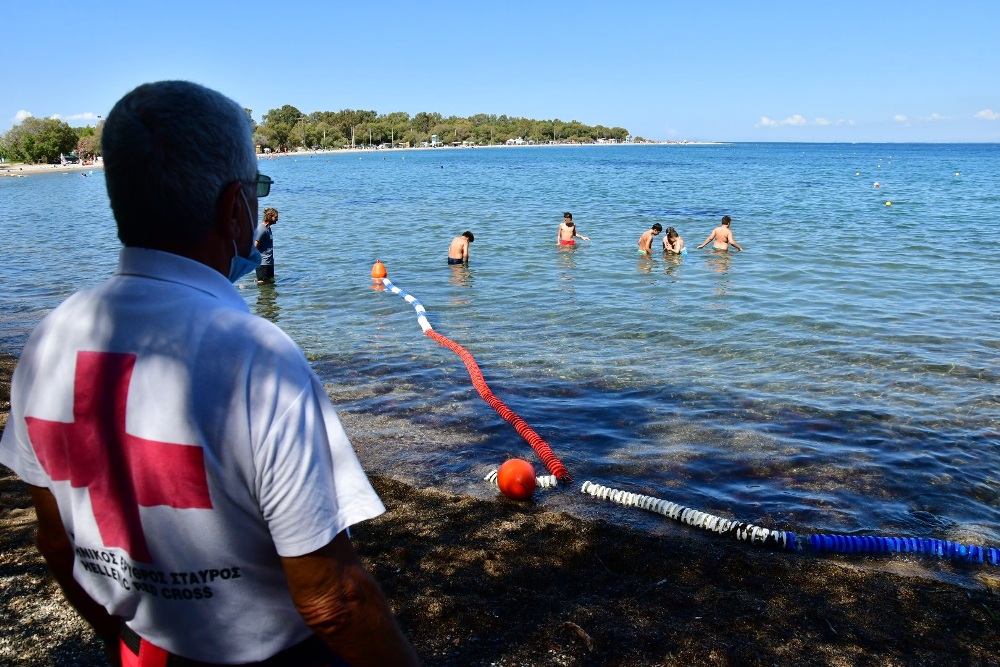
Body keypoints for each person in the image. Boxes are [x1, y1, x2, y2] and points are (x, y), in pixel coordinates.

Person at [0, 81, 418, 667]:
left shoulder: (49, 338)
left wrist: (122, 639)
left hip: (147, 647)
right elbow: (333, 599)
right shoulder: (255, 357)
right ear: (234, 210)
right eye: (256, 190)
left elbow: (54, 540)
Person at [254, 207, 278, 283]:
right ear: (269, 217)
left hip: (269, 262)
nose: (277, 219)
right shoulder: (261, 229)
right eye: (276, 217)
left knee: (270, 285)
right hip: (262, 264)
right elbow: (255, 246)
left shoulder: (268, 228)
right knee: (263, 285)